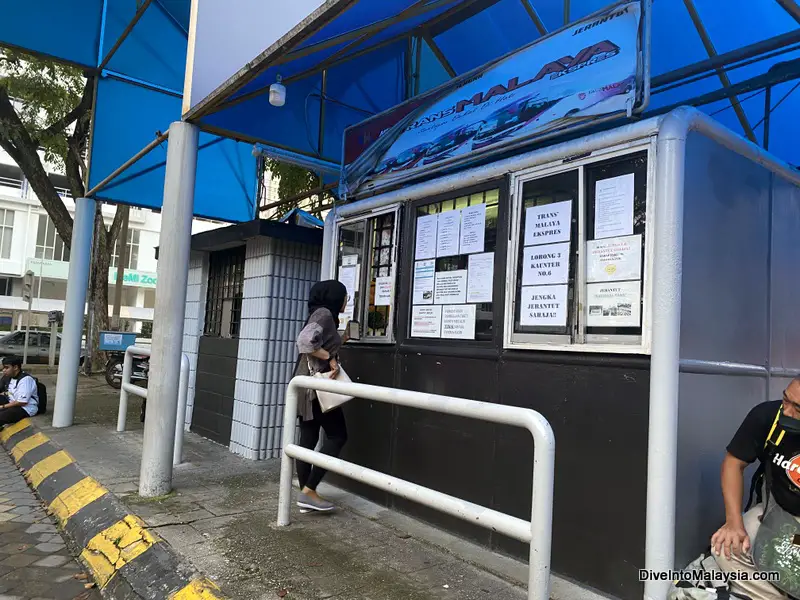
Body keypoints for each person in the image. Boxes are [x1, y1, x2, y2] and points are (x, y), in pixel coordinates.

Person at [712, 377, 800, 600]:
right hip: (776, 515)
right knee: (725, 547)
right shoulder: (768, 417)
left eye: (798, 409)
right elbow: (733, 463)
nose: (787, 412)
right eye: (785, 400)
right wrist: (733, 523)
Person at [293, 280, 350, 513]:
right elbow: (305, 342)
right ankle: (309, 491)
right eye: (345, 296)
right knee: (338, 436)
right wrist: (329, 357)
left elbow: (318, 343)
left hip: (305, 386)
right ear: (334, 297)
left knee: (307, 440)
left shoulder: (321, 314)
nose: (346, 301)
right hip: (316, 389)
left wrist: (341, 341)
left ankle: (306, 497)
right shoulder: (324, 313)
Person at [0, 356, 39, 426]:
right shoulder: (9, 377)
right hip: (12, 401)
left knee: (2, 416)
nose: (3, 370)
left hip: (26, 408)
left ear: (15, 367)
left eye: (6, 368)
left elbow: (22, 402)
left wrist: (3, 406)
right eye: (3, 368)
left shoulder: (26, 379)